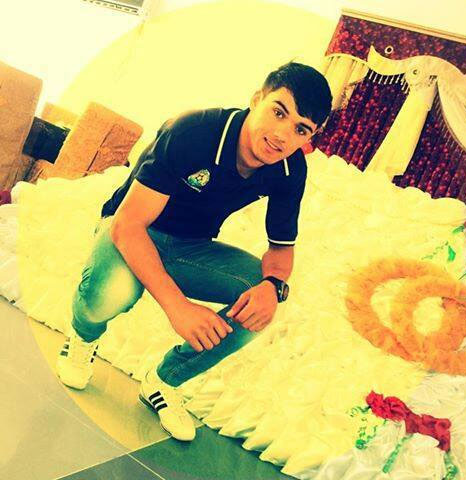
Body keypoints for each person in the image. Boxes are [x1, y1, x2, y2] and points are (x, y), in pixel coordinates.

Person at [56, 62, 332, 441]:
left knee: (258, 299)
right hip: (131, 229)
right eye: (279, 112)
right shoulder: (194, 131)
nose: (283, 135)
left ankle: (164, 381)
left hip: (190, 247)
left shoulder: (290, 168)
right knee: (114, 292)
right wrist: (179, 307)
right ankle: (83, 337)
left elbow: (281, 250)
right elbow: (128, 225)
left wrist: (273, 287)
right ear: (257, 100)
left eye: (301, 129)